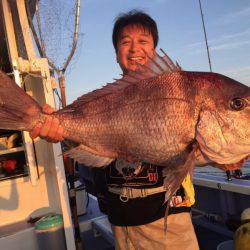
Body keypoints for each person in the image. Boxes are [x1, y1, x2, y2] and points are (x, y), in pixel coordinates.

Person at [30, 10, 199, 250]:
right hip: (120, 224)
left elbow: (202, 151)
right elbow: (83, 142)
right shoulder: (107, 99)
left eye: (143, 41)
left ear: (154, 49)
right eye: (125, 42)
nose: (134, 49)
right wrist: (56, 130)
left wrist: (228, 157)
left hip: (166, 224)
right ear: (116, 53)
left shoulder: (178, 90)